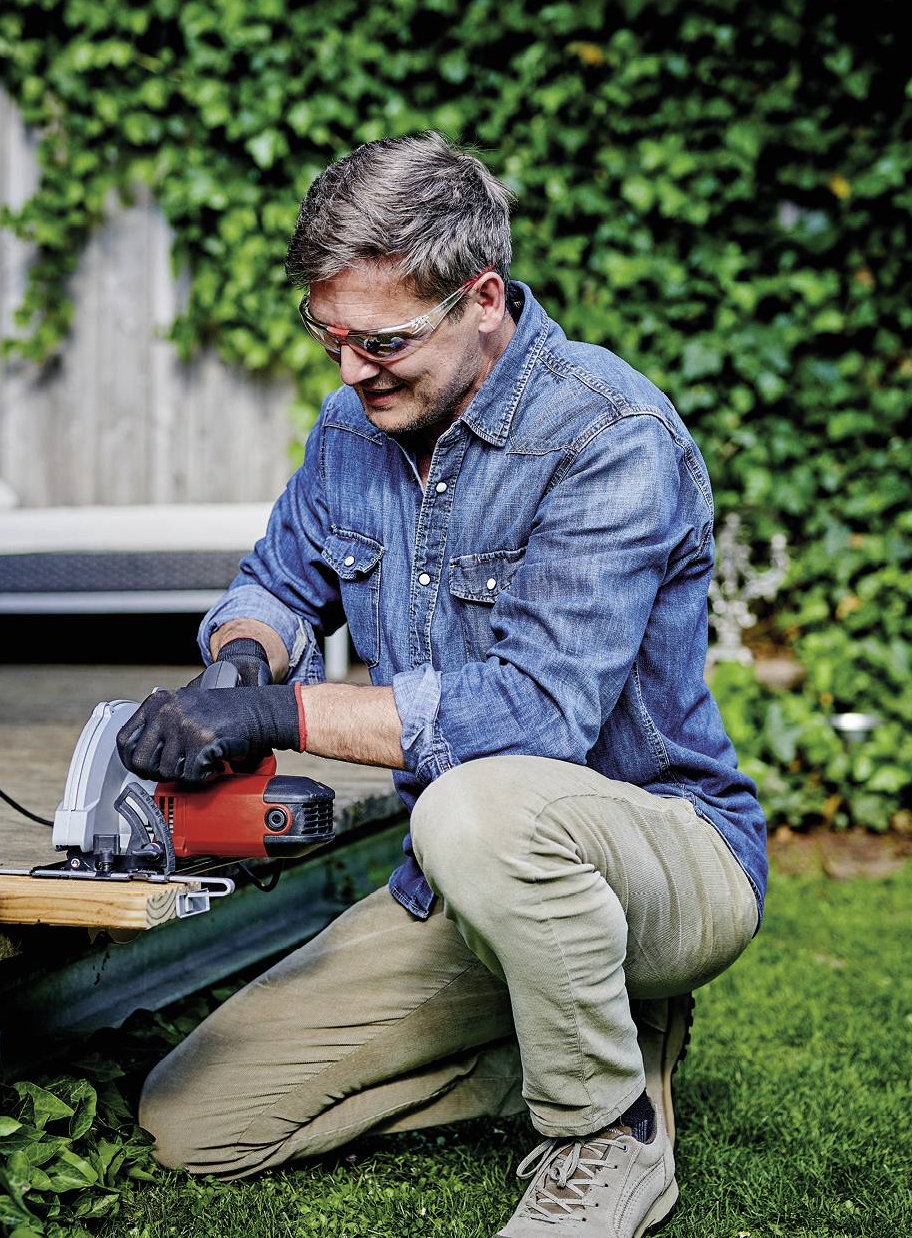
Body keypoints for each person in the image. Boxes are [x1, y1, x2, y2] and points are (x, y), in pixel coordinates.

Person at [122, 131, 766, 1238]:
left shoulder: (607, 435)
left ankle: (604, 1132)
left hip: (664, 850)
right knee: (191, 1120)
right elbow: (278, 581)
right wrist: (240, 660)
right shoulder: (350, 431)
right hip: (466, 882)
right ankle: (576, 1028)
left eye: (379, 340)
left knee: (476, 795)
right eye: (327, 336)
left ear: (479, 297)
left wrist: (281, 714)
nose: (347, 370)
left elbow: (535, 713)